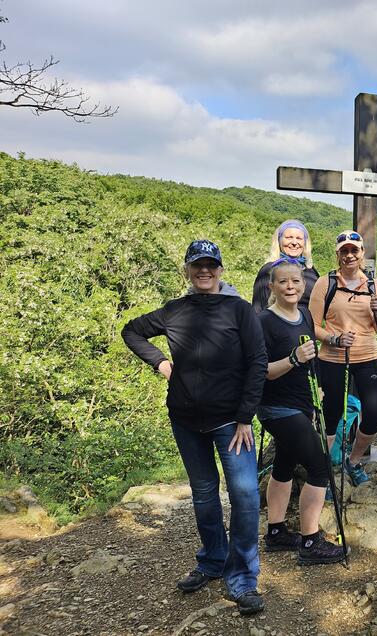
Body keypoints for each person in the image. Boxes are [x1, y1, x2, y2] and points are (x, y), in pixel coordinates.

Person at [121, 240, 267, 615]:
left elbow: (257, 361)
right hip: (185, 419)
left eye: (211, 265)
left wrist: (245, 416)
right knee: (203, 494)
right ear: (187, 270)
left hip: (230, 423)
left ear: (220, 270)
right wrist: (160, 363)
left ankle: (243, 579)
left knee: (246, 497)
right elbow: (131, 331)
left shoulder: (238, 310)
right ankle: (212, 561)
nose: (205, 271)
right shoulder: (175, 310)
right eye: (197, 265)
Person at [256, 258, 346, 565]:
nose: (290, 286)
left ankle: (276, 531)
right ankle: (310, 541)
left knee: (285, 463)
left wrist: (316, 389)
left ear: (303, 284)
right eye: (283, 282)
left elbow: (312, 359)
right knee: (319, 467)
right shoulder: (264, 322)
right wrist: (293, 359)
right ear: (272, 287)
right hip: (276, 408)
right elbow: (262, 371)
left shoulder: (305, 314)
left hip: (300, 404)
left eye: (295, 281)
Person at [308, 231, 377, 487]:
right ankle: (325, 473)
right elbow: (312, 325)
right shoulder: (325, 283)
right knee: (331, 414)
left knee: (374, 414)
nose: (350, 255)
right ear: (338, 255)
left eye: (354, 250)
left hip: (368, 354)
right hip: (332, 356)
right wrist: (335, 338)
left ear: (362, 253)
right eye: (345, 251)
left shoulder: (373, 284)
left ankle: (352, 462)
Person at [252, 219, 319, 314]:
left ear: (305, 243)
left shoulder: (311, 271)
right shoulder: (269, 270)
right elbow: (258, 309)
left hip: (306, 326)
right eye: (289, 237)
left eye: (299, 238)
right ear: (279, 240)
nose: (294, 242)